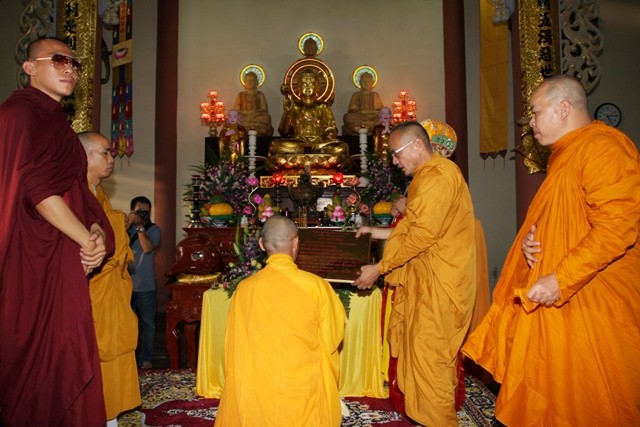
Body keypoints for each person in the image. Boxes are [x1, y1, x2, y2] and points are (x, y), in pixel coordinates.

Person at [463, 75, 640, 426]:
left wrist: (561, 278)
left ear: (563, 108)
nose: (530, 123)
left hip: (592, 298)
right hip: (558, 297)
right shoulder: (566, 154)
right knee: (549, 393)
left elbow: (618, 226)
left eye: (535, 112)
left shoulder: (604, 148)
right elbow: (569, 218)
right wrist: (533, 241)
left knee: (591, 399)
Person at [0, 37, 113, 426]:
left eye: (75, 64)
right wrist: (85, 239)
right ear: (30, 68)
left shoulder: (60, 127)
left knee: (67, 355)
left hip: (62, 258)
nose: (70, 70)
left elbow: (80, 194)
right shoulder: (17, 115)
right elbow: (34, 189)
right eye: (59, 60)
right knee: (35, 364)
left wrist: (96, 233)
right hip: (29, 262)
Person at [353, 121, 476, 426]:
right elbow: (412, 226)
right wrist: (375, 232)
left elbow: (422, 236)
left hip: (441, 284)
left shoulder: (438, 177)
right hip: (426, 280)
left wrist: (379, 269)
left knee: (430, 360)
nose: (395, 162)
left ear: (418, 145)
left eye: (397, 153)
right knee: (421, 358)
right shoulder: (426, 177)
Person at [216, 216, 346, 426]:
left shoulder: (245, 289)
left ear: (261, 244)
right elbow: (333, 336)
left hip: (257, 386)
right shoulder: (316, 286)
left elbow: (234, 341)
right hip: (301, 384)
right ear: (296, 243)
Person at [80, 131, 142, 426]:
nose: (111, 158)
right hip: (91, 289)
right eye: (104, 152)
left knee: (117, 347)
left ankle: (111, 415)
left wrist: (117, 222)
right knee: (97, 351)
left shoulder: (98, 193)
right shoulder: (74, 194)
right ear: (84, 156)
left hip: (111, 289)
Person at [269, 70, 349, 170]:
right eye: (304, 84)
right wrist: (288, 112)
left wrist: (319, 143)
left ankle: (304, 158)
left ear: (317, 88)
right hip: (298, 144)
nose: (307, 87)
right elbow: (284, 132)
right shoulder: (294, 107)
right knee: (274, 145)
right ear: (298, 88)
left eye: (311, 84)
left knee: (341, 147)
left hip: (319, 145)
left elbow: (332, 132)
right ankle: (317, 160)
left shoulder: (323, 106)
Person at [127, 196, 161, 370]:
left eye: (145, 212)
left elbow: (147, 248)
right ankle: (128, 359)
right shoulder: (124, 228)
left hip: (145, 286)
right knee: (126, 324)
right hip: (124, 286)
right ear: (132, 211)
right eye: (139, 211)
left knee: (148, 325)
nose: (142, 214)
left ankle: (146, 358)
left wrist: (140, 227)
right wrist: (127, 224)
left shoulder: (153, 230)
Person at [232, 71, 273, 136]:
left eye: (252, 81)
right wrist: (246, 112)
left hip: (256, 116)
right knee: (235, 118)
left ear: (256, 82)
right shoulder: (241, 94)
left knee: (266, 118)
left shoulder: (260, 94)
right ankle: (257, 128)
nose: (250, 82)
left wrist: (254, 112)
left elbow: (264, 109)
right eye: (248, 81)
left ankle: (248, 127)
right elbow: (235, 110)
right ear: (244, 83)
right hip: (244, 116)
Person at [342, 71, 384, 135]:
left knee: (379, 117)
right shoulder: (356, 95)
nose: (366, 84)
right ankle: (369, 126)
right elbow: (352, 110)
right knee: (347, 117)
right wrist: (361, 112)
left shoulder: (375, 95)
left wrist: (369, 113)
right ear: (360, 83)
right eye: (364, 82)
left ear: (372, 83)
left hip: (371, 115)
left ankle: (360, 127)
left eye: (369, 82)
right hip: (360, 116)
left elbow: (380, 111)